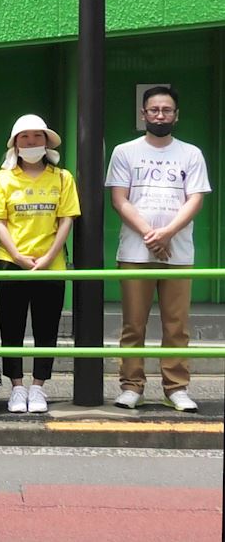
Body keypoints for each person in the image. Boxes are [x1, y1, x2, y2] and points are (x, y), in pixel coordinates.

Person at [107, 86, 211, 413]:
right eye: (154, 110)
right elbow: (119, 199)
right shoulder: (125, 152)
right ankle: (131, 386)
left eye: (167, 110)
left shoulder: (191, 154)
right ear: (143, 114)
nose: (160, 115)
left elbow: (195, 198)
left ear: (176, 115)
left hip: (178, 253)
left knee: (177, 325)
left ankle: (176, 388)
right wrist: (151, 235)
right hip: (135, 252)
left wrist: (167, 233)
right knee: (132, 325)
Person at [0, 114, 80, 415]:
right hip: (10, 262)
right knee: (11, 327)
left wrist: (51, 255)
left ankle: (39, 386)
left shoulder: (63, 177)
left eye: (37, 137)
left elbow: (66, 219)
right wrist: (16, 256)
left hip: (50, 263)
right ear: (15, 143)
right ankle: (16, 387)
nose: (31, 143)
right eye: (24, 138)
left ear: (46, 142)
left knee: (46, 327)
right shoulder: (1, 178)